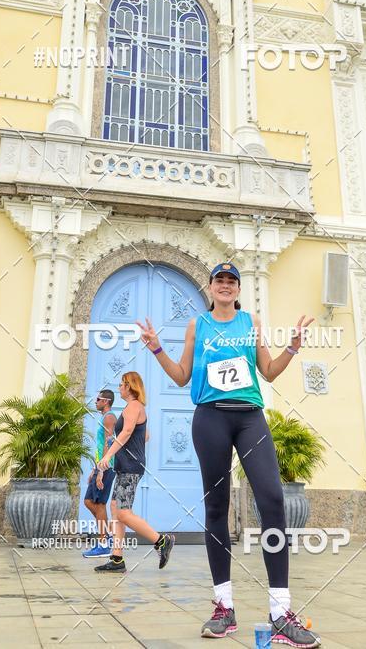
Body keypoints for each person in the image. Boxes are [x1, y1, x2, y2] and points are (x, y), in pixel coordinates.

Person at [137, 263, 321, 647]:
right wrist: (156, 348)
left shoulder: (251, 322)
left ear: (238, 289)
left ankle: (281, 612)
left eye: (231, 281)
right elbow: (181, 376)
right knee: (217, 507)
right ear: (210, 287)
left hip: (250, 417)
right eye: (219, 280)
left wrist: (292, 347)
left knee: (272, 500)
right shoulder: (197, 325)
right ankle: (224, 607)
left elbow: (268, 371)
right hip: (210, 419)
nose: (225, 285)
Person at [94, 371, 175, 573]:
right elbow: (144, 435)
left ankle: (162, 540)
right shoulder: (133, 408)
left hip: (130, 466)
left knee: (123, 512)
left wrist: (108, 455)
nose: (119, 388)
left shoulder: (134, 406)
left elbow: (128, 431)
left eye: (122, 385)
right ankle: (117, 559)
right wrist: (125, 442)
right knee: (115, 508)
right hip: (126, 465)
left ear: (129, 386)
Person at [82, 389, 117, 558]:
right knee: (89, 501)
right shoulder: (104, 418)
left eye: (98, 399)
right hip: (100, 466)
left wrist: (101, 470)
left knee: (100, 504)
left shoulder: (109, 417)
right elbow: (100, 446)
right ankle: (107, 536)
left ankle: (104, 544)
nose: (95, 402)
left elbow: (109, 444)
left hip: (107, 467)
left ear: (106, 401)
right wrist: (94, 469)